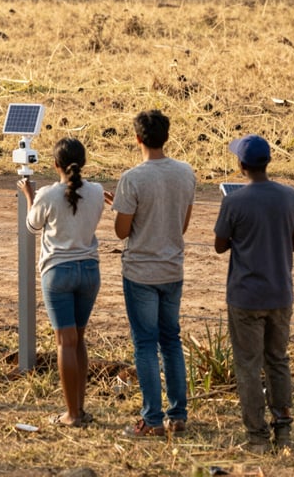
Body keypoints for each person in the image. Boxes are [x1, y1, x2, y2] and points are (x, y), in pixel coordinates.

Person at [104, 110, 195, 437]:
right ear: (166, 137)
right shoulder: (186, 173)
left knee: (145, 344)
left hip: (141, 272)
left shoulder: (132, 178)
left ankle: (152, 419)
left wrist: (119, 209)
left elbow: (121, 232)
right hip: (172, 268)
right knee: (171, 340)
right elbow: (181, 225)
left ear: (137, 138)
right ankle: (177, 415)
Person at [214, 135, 294, 453]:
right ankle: (284, 431)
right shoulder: (290, 196)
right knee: (278, 360)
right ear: (269, 162)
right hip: (280, 293)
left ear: (241, 165)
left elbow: (220, 245)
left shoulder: (234, 202)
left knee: (249, 366)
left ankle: (257, 437)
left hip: (245, 296)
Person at [18, 138, 103, 427]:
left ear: (55, 164)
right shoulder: (97, 192)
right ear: (84, 162)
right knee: (78, 339)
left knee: (64, 342)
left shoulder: (47, 194)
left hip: (58, 272)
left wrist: (29, 197)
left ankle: (71, 415)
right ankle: (80, 408)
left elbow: (32, 226)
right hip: (89, 271)